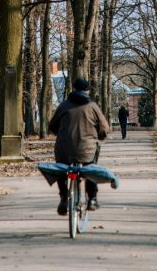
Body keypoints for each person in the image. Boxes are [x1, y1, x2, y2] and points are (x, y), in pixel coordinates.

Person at [48, 78, 110, 215]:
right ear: (87, 91)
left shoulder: (63, 105)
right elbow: (104, 128)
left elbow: (52, 126)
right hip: (87, 150)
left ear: (73, 89)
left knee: (62, 169)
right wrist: (100, 136)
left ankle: (64, 198)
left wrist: (62, 133)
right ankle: (92, 199)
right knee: (91, 169)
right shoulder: (93, 106)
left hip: (64, 149)